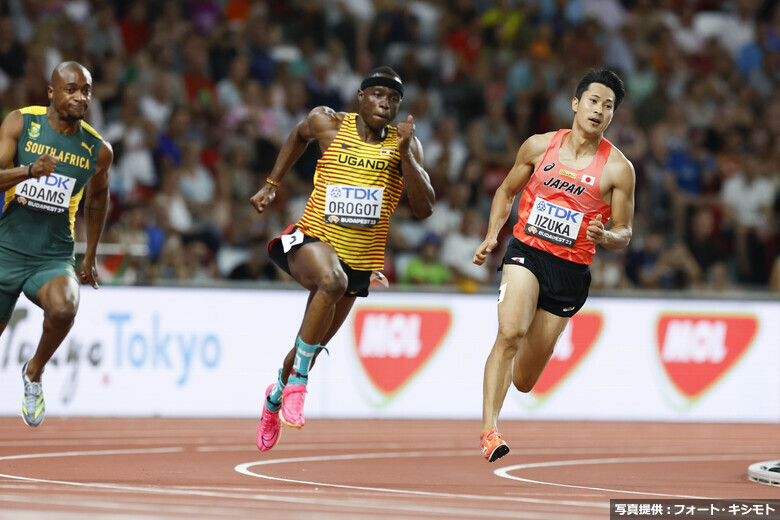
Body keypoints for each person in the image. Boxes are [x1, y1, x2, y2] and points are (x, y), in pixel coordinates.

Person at [250, 66, 434, 451]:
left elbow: (424, 208)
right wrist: (272, 184)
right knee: (330, 282)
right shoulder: (327, 122)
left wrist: (405, 157)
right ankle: (300, 382)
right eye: (378, 94)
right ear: (360, 97)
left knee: (310, 345)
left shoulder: (405, 147)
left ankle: (275, 396)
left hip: (358, 261)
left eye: (394, 99)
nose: (386, 102)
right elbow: (297, 136)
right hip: (312, 239)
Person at [473, 69, 635, 462]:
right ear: (576, 104)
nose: (599, 110)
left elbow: (625, 231)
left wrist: (605, 237)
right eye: (593, 101)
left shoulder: (618, 169)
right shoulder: (538, 146)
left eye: (608, 106)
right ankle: (489, 430)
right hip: (527, 252)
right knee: (509, 333)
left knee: (526, 380)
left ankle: (530, 348)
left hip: (569, 273)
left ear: (613, 115)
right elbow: (506, 190)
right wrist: (493, 235)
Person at [0, 61, 114, 427]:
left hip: (51, 256)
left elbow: (98, 198)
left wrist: (91, 253)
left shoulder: (97, 149)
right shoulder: (21, 122)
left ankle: (33, 373)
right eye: (71, 89)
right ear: (51, 92)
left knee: (65, 307)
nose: (80, 97)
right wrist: (29, 170)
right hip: (5, 247)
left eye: (86, 90)